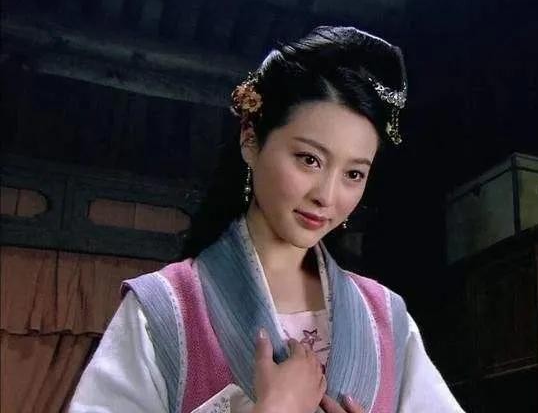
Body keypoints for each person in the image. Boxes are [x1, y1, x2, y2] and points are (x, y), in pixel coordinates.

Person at [69, 26, 464, 413]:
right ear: (250, 139)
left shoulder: (386, 318)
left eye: (353, 174)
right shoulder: (164, 309)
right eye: (309, 159)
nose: (327, 195)